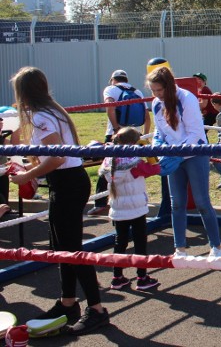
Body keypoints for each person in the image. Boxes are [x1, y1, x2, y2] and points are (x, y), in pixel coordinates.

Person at [8, 67, 111, 335]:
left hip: (67, 184)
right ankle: (68, 303)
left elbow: (57, 157)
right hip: (65, 183)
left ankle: (97, 310)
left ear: (24, 91)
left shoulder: (43, 116)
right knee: (63, 249)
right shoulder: (53, 111)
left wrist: (26, 176)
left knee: (72, 250)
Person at [147, 66, 221, 257]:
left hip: (195, 154)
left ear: (169, 86)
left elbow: (196, 133)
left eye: (159, 90)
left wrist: (178, 154)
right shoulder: (157, 103)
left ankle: (216, 247)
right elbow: (160, 130)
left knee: (202, 202)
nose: (156, 94)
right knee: (177, 203)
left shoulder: (187, 99)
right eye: (153, 91)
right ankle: (179, 247)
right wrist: (158, 143)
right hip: (173, 155)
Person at [98, 127, 160, 292]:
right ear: (134, 143)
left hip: (118, 207)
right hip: (136, 208)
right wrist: (148, 151)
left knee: (120, 242)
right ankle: (142, 277)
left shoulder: (110, 161)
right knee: (140, 242)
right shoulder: (135, 163)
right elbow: (155, 168)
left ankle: (117, 276)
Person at [90, 69, 151, 217]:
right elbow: (147, 116)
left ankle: (100, 203)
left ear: (113, 79)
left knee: (108, 167)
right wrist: (144, 134)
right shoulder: (137, 92)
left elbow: (109, 107)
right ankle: (134, 203)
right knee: (133, 167)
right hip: (135, 135)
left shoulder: (111, 89)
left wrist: (116, 128)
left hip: (116, 135)